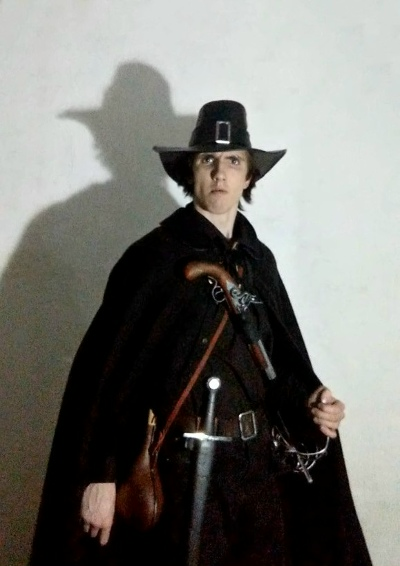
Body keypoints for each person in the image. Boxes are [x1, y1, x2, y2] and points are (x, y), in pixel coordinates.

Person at [30, 100, 372, 566]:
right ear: (190, 172)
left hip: (257, 474)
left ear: (249, 176)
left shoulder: (257, 262)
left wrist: (312, 401)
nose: (219, 172)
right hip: (182, 476)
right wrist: (102, 476)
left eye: (233, 161)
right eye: (208, 159)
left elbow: (278, 368)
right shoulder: (153, 259)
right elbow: (110, 377)